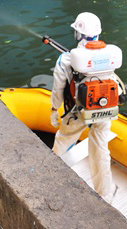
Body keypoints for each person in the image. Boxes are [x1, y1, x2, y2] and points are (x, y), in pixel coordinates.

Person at [50, 12, 120, 203]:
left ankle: (52, 178)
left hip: (79, 112)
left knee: (63, 139)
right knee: (100, 149)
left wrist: (55, 109)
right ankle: (106, 193)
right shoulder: (110, 54)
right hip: (106, 110)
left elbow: (58, 89)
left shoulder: (66, 59)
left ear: (78, 34)